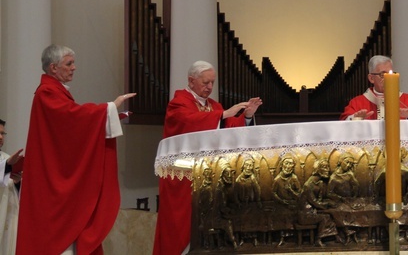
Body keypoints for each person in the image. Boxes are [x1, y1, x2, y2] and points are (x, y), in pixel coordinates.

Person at [16, 44, 136, 255]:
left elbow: (72, 125)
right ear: (53, 68)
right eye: (69, 64)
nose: (74, 68)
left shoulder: (55, 91)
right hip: (50, 180)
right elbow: (73, 119)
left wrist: (108, 117)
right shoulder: (47, 93)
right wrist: (109, 107)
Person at [153, 60, 263, 255]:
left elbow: (229, 129)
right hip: (184, 177)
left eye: (212, 82)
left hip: (209, 176)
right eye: (205, 82)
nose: (210, 87)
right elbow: (188, 121)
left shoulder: (214, 106)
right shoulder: (179, 102)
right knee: (182, 225)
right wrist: (221, 115)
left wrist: (246, 116)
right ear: (191, 80)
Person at [340, 55, 408, 120]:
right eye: (382, 74)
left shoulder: (407, 100)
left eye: (390, 74)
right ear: (371, 78)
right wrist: (355, 118)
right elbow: (343, 123)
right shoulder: (357, 102)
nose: (387, 78)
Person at [0, 118, 22, 254]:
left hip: (8, 219)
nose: (1, 137)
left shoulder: (7, 158)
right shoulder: (8, 161)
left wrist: (18, 182)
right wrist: (7, 165)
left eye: (3, 134)